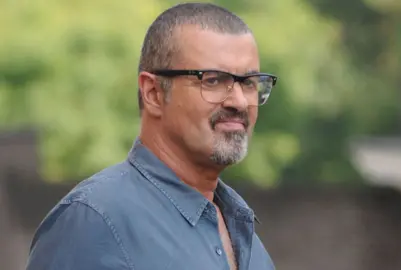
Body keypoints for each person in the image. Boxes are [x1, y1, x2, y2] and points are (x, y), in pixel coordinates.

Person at [26, 2, 278, 270]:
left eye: (249, 83)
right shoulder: (95, 223)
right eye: (213, 80)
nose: (239, 102)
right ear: (154, 93)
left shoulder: (244, 233)